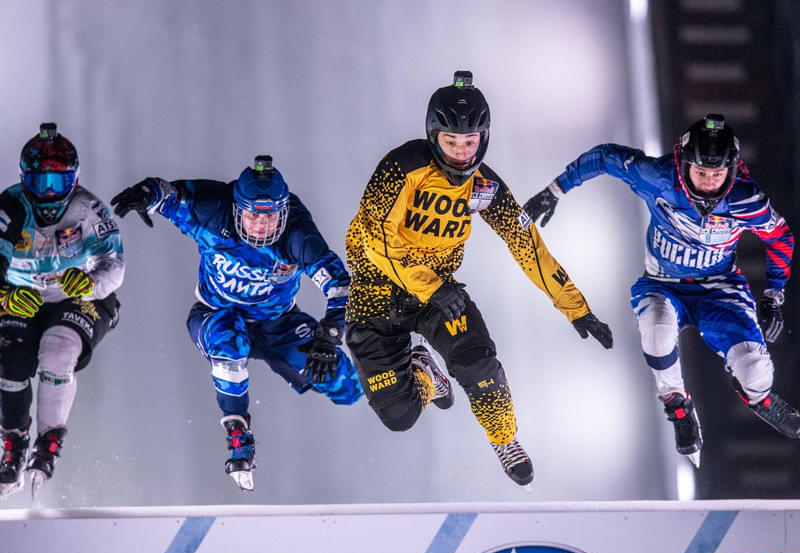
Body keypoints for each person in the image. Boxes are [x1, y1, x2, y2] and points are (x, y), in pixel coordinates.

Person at [344, 71, 613, 488]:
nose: (460, 155)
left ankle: (505, 440)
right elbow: (376, 241)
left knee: (479, 365)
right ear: (433, 137)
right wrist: (432, 286)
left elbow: (526, 244)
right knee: (399, 417)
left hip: (438, 294)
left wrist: (576, 308)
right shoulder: (400, 167)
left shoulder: (485, 185)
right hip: (376, 295)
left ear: (483, 140)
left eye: (470, 144)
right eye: (450, 143)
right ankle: (426, 377)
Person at [522, 113, 796, 468]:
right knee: (657, 329)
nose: (710, 184)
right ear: (683, 164)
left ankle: (759, 400)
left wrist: (774, 296)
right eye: (701, 173)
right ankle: (677, 406)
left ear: (732, 169)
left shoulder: (747, 199)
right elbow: (605, 156)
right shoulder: (658, 176)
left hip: (720, 289)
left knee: (757, 375)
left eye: (717, 174)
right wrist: (555, 190)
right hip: (662, 284)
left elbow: (781, 238)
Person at [111, 155, 362, 492]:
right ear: (236, 208)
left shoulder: (298, 233)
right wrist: (146, 193)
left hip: (277, 322)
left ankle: (413, 374)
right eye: (253, 216)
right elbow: (169, 195)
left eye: (271, 218)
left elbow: (340, 285)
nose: (262, 227)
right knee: (230, 340)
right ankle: (238, 435)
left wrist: (331, 336)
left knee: (347, 387)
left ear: (284, 212)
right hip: (214, 313)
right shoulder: (211, 210)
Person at [0, 123, 124, 500]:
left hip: (79, 294)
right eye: (39, 183)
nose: (49, 194)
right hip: (22, 295)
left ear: (76, 179)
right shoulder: (9, 207)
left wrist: (90, 284)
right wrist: (3, 296)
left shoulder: (89, 209)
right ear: (24, 181)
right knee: (9, 361)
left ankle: (50, 437)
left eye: (58, 183)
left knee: (58, 350)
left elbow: (115, 266)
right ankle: (13, 438)